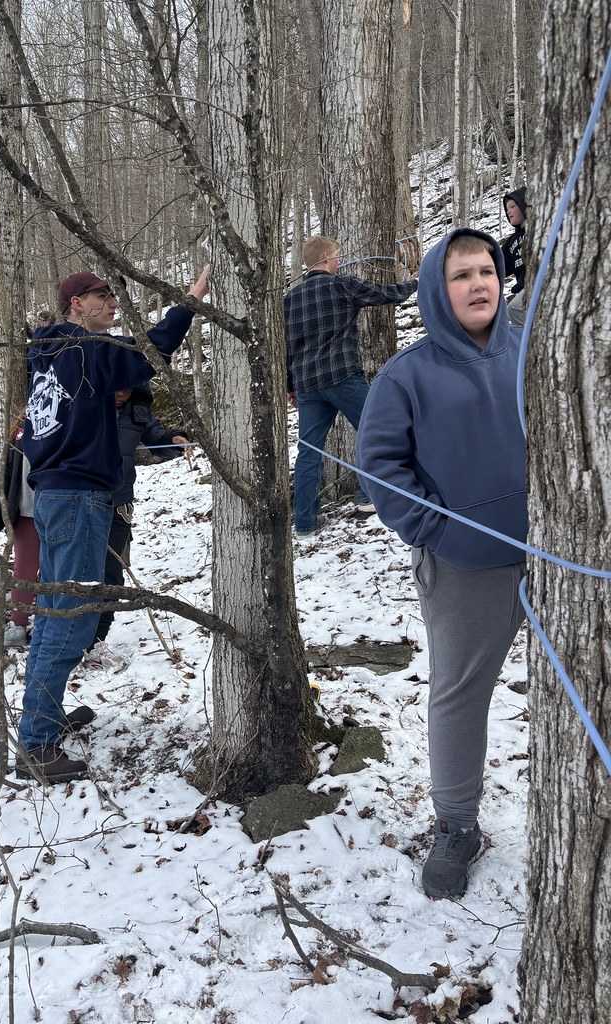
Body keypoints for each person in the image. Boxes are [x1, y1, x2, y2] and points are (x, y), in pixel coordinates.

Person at [356, 228, 527, 899]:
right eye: (461, 275)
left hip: (560, 555)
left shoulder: (532, 346)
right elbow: (381, 469)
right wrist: (439, 533)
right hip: (465, 568)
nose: (479, 283)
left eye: (486, 270)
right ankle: (457, 825)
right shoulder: (407, 376)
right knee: (461, 695)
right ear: (435, 289)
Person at [17, 266, 209, 782]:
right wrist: (189, 301)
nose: (113, 302)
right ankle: (35, 743)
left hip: (62, 494)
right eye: (103, 296)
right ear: (77, 303)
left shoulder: (52, 353)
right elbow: (152, 350)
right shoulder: (82, 350)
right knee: (72, 618)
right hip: (78, 496)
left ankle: (44, 718)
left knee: (58, 610)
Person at [284, 235, 418, 537]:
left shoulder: (289, 299)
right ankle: (368, 497)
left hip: (307, 385)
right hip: (342, 376)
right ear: (327, 257)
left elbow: (286, 348)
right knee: (377, 431)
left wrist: (290, 385)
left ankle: (304, 522)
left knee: (308, 452)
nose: (340, 261)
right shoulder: (341, 284)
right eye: (337, 256)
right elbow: (387, 294)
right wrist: (416, 282)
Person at [80, 383, 190, 673]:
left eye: (126, 388)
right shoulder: (84, 406)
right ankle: (65, 641)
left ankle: (95, 644)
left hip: (118, 505)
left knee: (112, 577)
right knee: (76, 573)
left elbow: (158, 439)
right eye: (115, 386)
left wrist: (176, 440)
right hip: (80, 503)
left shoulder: (138, 413)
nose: (119, 392)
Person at [0, 423, 39, 648]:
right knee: (23, 569)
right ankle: (18, 626)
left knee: (54, 569)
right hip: (24, 510)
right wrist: (0, 510)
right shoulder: (20, 429)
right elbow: (7, 471)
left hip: (56, 510)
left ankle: (46, 623)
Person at [500, 187, 527, 326]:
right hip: (526, 289)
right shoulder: (510, 243)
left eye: (512, 206)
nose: (508, 211)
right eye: (506, 208)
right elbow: (496, 262)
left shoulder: (539, 228)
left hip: (545, 282)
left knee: (515, 309)